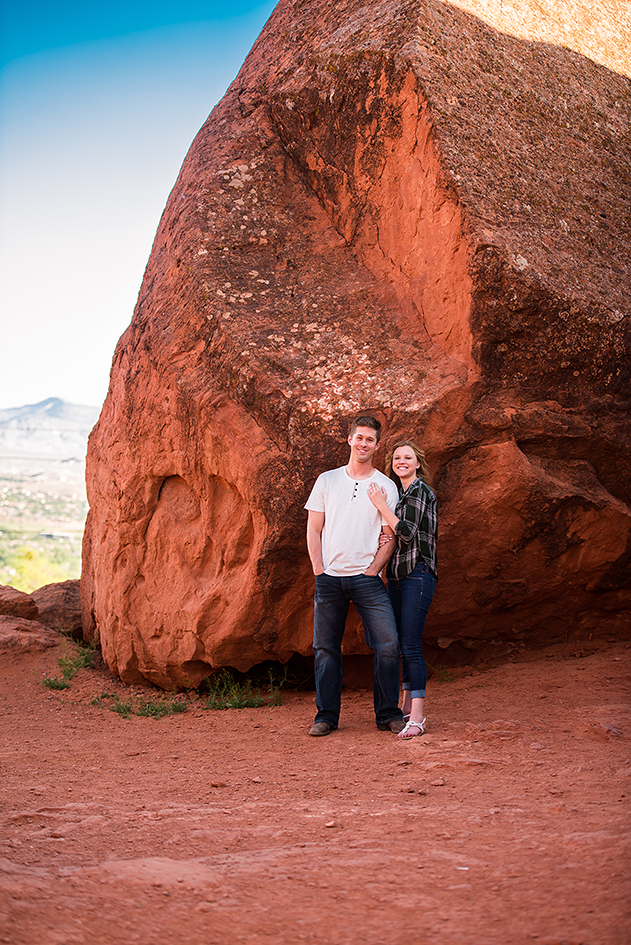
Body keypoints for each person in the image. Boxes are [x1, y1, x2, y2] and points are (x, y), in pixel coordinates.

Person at [304, 415, 406, 736]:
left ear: (377, 445)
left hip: (367, 579)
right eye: (359, 438)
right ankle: (326, 717)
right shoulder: (327, 481)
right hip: (329, 578)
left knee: (388, 644)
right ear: (350, 440)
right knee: (325, 648)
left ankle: (388, 713)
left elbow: (389, 536)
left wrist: (375, 568)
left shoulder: (385, 486)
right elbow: (314, 528)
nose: (364, 444)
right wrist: (319, 570)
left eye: (370, 440)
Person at [367, 439, 438, 739]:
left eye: (408, 457)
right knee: (399, 643)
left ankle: (418, 718)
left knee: (410, 644)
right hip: (396, 578)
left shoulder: (420, 490)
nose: (401, 462)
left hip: (418, 574)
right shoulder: (400, 495)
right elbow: (396, 533)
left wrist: (381, 506)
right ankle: (407, 706)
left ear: (418, 463)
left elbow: (407, 532)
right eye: (397, 458)